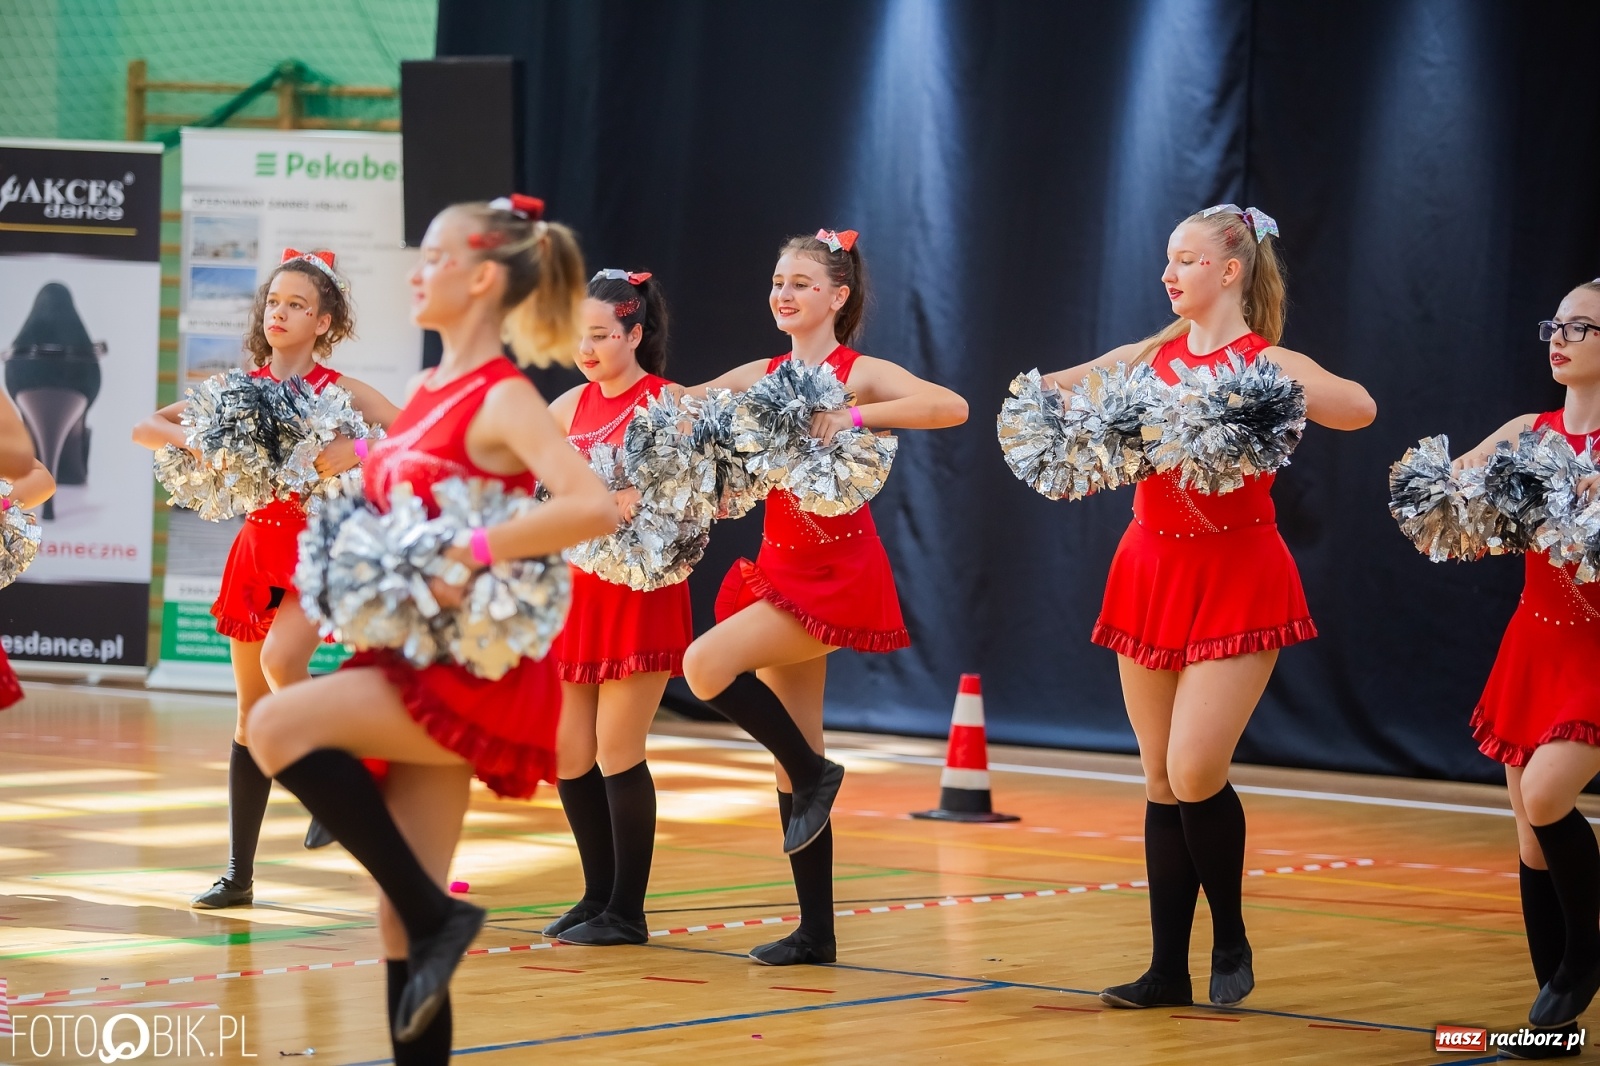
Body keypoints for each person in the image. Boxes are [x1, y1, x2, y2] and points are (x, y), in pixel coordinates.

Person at [248, 195, 616, 1062]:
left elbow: (590, 504)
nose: (416, 273)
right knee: (400, 937)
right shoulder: (423, 389)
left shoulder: (504, 396)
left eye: (433, 258)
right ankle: (428, 911)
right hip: (401, 646)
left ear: (483, 277)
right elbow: (410, 485)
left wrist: (475, 548)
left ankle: (436, 906)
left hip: (460, 668)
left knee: (274, 721)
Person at [1037, 205, 1376, 1008]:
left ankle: (1230, 932)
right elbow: (1040, 392)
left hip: (1239, 573)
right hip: (1148, 569)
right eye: (1167, 260)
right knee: (1160, 778)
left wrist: (1281, 387)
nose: (1168, 274)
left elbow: (1359, 407)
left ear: (1229, 271)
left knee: (1195, 769)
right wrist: (1063, 406)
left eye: (1186, 260)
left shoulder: (1267, 361)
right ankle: (1166, 971)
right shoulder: (1145, 355)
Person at [682, 228, 968, 965]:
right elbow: (680, 402)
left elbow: (950, 406)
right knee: (790, 751)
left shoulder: (858, 371)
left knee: (705, 667)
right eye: (779, 281)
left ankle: (819, 777)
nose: (785, 293)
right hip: (779, 569)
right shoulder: (763, 372)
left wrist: (854, 415)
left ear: (838, 297)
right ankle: (817, 931)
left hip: (836, 577)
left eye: (802, 283)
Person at [133, 249, 399, 909]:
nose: (280, 313)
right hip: (257, 550)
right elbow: (147, 427)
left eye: (297, 305)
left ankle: (334, 779)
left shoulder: (341, 391)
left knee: (284, 662)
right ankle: (239, 874)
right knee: (251, 715)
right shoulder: (238, 388)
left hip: (316, 550)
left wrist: (355, 450)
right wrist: (218, 445)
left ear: (325, 321)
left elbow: (417, 434)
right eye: (274, 302)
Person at [1454, 279, 1600, 1055]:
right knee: (1530, 836)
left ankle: (1586, 955)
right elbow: (1445, 495)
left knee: (1547, 796)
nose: (1562, 336)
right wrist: (1454, 492)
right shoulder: (1527, 430)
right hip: (1533, 642)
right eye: (1558, 323)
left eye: (1583, 327)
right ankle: (1555, 1024)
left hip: (1596, 652)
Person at [543, 270, 693, 946]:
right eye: (579, 335)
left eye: (601, 335)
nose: (587, 346)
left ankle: (627, 912)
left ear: (635, 334)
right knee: (568, 751)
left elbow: (701, 491)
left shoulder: (668, 403)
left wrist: (643, 497)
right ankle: (596, 894)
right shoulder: (567, 405)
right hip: (579, 595)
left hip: (641, 592)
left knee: (616, 747)